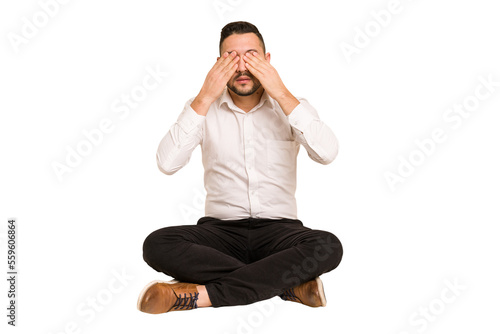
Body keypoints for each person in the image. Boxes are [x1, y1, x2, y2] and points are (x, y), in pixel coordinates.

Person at [138, 21, 343, 314]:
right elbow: (167, 163)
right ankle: (286, 285)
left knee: (328, 246)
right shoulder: (201, 107)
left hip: (280, 233)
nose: (243, 67)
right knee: (157, 244)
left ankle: (199, 295)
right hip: (220, 235)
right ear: (218, 64)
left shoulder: (291, 106)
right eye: (231, 58)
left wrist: (281, 92)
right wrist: (205, 96)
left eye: (252, 56)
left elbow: (327, 153)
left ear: (268, 61)